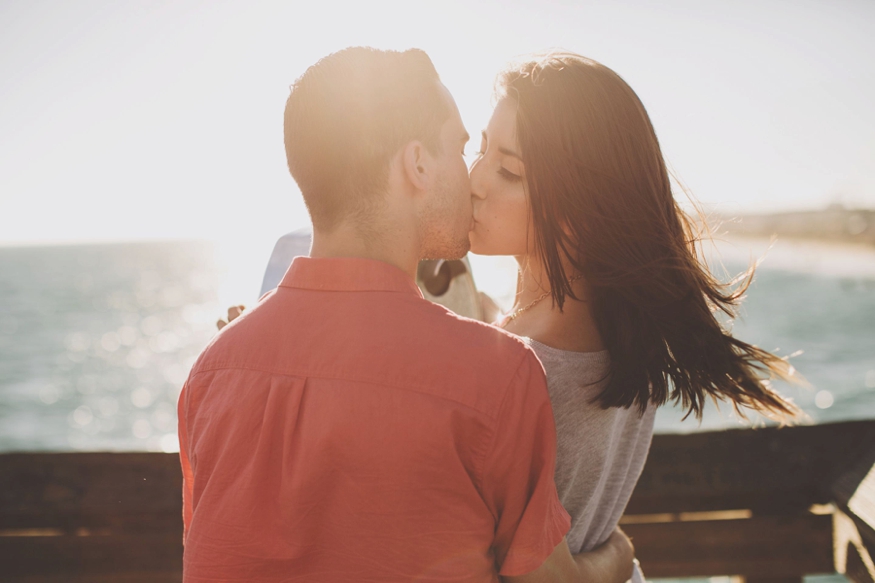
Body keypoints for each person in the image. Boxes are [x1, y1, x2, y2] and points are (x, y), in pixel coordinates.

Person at [178, 47, 633, 583]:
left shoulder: (209, 373)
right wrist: (617, 559)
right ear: (417, 164)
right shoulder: (497, 374)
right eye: (463, 149)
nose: (473, 178)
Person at [467, 51, 800, 580]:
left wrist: (613, 563)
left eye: (509, 171)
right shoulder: (626, 341)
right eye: (481, 151)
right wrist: (616, 556)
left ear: (579, 208)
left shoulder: (521, 370)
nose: (475, 180)